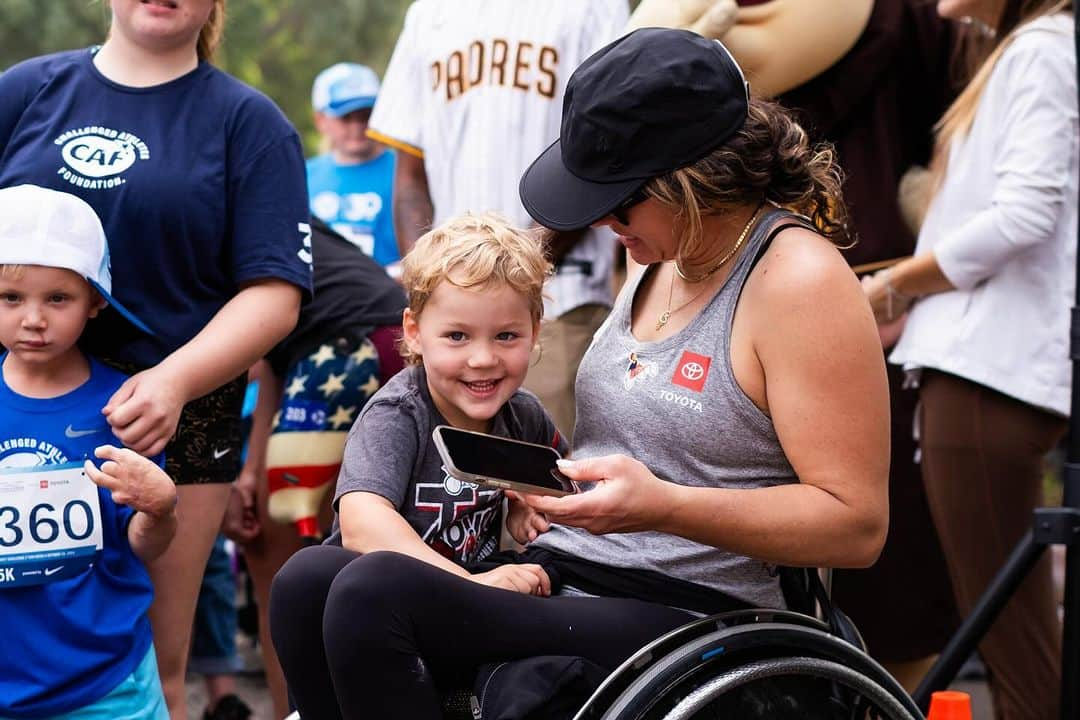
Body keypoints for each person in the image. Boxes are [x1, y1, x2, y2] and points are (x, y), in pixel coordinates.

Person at [270, 29, 890, 720]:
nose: (600, 219)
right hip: (573, 574)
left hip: (693, 610)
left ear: (690, 177)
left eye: (619, 197)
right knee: (308, 580)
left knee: (373, 594)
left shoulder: (797, 279)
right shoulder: (663, 253)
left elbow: (855, 526)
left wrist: (663, 505)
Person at [0, 2, 312, 717]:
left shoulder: (250, 124)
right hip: (15, 403)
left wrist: (173, 380)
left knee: (148, 664)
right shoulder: (23, 93)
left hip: (172, 423)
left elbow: (275, 294)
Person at [270, 212, 572, 718]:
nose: (482, 360)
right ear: (413, 331)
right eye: (457, 336)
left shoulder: (523, 415)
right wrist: (469, 586)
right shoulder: (400, 413)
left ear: (535, 331)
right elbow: (364, 524)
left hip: (460, 616)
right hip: (375, 621)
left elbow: (564, 490)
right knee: (309, 573)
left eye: (506, 337)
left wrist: (527, 505)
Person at [862, 1, 1076, 717]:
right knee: (1013, 637)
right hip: (979, 375)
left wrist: (896, 287)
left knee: (1016, 647)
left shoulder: (1040, 49)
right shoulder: (1022, 52)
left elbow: (1026, 213)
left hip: (986, 378)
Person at [367, 0, 629, 440]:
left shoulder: (595, 6)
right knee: (447, 487)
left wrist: (514, 269)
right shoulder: (429, 13)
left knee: (548, 489)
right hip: (452, 316)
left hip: (555, 301)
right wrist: (431, 284)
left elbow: (604, 154)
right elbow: (410, 173)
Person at [0, 185, 177, 719]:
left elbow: (145, 544)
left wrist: (161, 506)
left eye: (57, 298)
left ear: (95, 301)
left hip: (106, 686)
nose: (34, 319)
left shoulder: (124, 407)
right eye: (11, 298)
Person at [222, 217, 407, 719]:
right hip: (381, 338)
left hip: (354, 348)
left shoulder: (208, 213)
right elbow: (276, 359)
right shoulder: (275, 209)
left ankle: (299, 708)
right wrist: (247, 471)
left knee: (279, 556)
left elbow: (238, 360)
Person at [307, 63, 400, 273]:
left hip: (392, 296)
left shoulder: (405, 173)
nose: (357, 126)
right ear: (321, 120)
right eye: (345, 117)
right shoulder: (304, 177)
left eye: (365, 115)